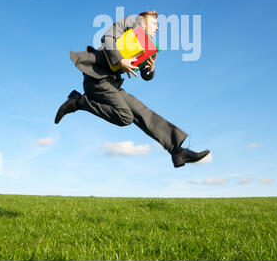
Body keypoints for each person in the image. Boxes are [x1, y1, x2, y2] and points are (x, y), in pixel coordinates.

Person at [54, 10, 210, 168]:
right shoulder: (129, 22)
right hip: (96, 79)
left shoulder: (147, 45)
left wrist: (149, 69)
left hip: (112, 84)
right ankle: (79, 102)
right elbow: (107, 39)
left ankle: (177, 151)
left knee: (143, 112)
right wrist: (121, 61)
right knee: (125, 117)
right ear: (143, 21)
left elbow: (146, 75)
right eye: (155, 24)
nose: (157, 28)